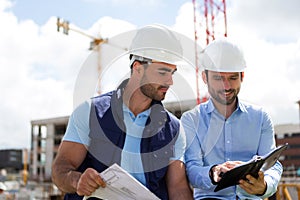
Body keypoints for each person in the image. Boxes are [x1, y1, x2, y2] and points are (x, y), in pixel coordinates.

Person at [51, 24, 193, 200]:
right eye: (163, 72)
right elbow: (61, 170)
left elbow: (178, 188)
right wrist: (77, 180)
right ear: (138, 68)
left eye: (172, 72)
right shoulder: (90, 113)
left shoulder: (173, 129)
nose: (170, 81)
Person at [181, 38, 283, 199]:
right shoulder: (190, 120)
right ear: (204, 77)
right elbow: (192, 168)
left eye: (233, 78)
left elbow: (272, 165)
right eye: (218, 78)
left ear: (242, 76)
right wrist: (212, 173)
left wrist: (264, 186)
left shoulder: (260, 117)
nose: (226, 86)